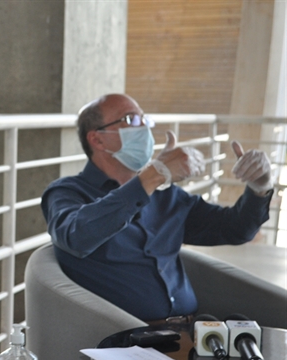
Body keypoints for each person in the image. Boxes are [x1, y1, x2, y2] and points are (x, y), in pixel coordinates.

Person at [41, 93, 273, 324]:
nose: (144, 127)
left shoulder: (167, 195)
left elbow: (236, 229)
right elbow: (78, 236)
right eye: (131, 119)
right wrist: (152, 176)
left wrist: (259, 187)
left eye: (145, 119)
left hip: (190, 333)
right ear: (98, 140)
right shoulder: (67, 192)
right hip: (121, 340)